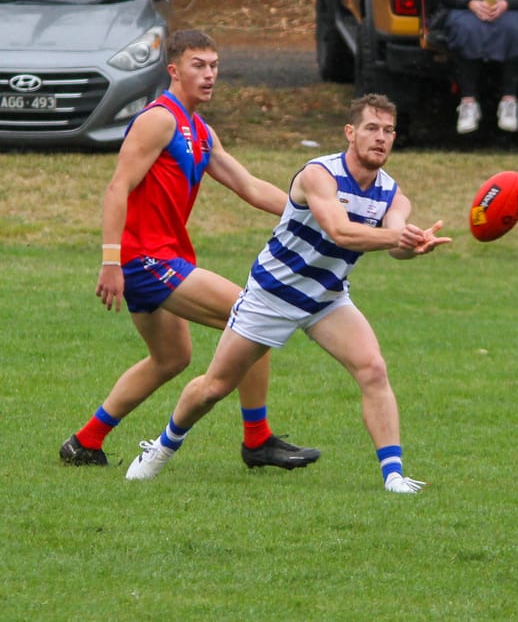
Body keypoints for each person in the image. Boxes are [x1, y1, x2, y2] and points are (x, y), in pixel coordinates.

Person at [124, 94, 451, 493]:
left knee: (373, 369)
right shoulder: (319, 175)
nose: (380, 138)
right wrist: (395, 237)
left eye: (388, 131)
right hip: (271, 296)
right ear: (350, 133)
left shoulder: (393, 195)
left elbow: (395, 241)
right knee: (214, 388)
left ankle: (394, 476)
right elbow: (340, 231)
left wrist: (413, 245)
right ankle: (163, 446)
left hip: (327, 298)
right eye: (371, 128)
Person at [59, 29, 320, 471]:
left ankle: (85, 441)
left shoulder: (200, 131)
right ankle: (257, 440)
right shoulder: (158, 120)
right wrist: (110, 261)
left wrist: (314, 215)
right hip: (145, 260)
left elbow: (249, 186)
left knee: (171, 358)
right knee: (253, 316)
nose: (209, 74)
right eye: (198, 65)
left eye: (214, 66)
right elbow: (117, 187)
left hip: (161, 258)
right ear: (174, 71)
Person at [434, 0, 518, 134]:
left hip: (510, 10)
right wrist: (470, 2)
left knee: (514, 30)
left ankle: (509, 100)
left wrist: (507, 3)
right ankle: (468, 102)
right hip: (466, 8)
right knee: (465, 30)